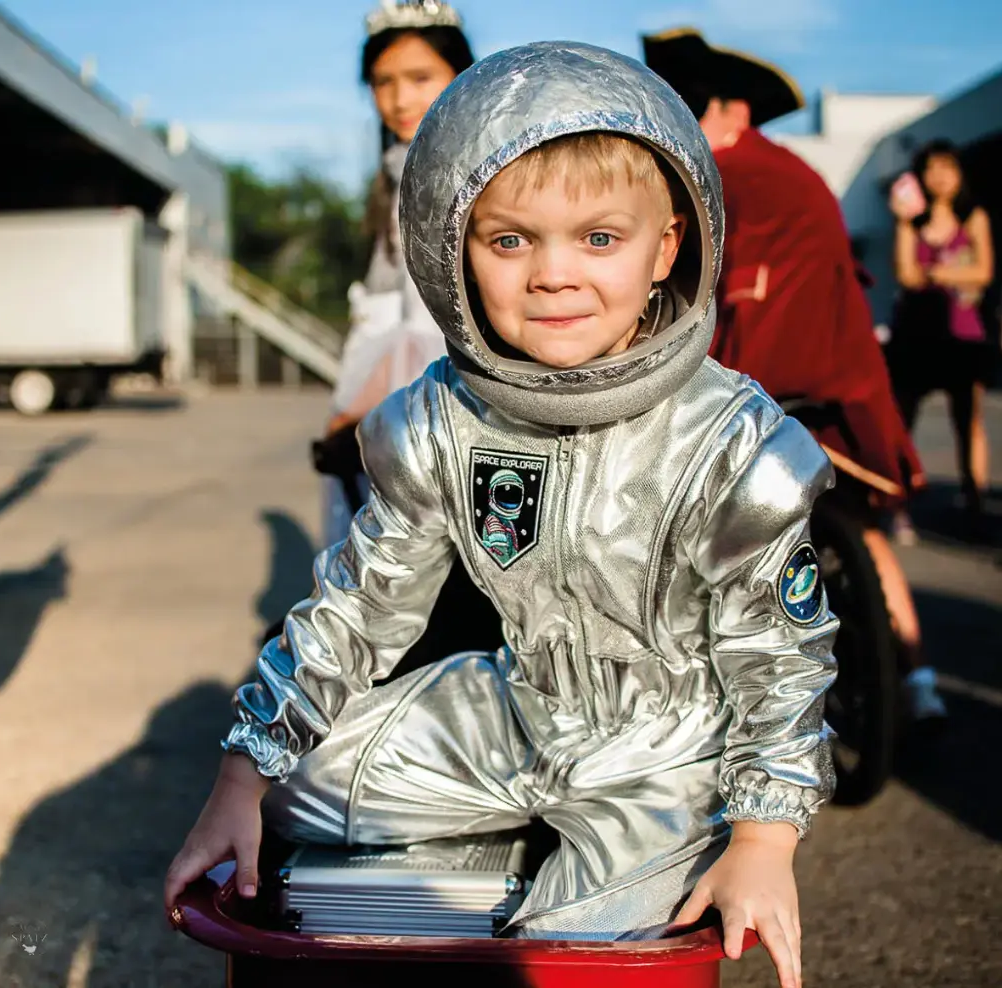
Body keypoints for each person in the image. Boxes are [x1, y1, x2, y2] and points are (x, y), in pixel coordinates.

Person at [167, 43, 838, 988]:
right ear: (452, 250)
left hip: (669, 753)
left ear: (667, 249)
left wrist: (765, 836)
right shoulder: (445, 417)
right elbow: (363, 603)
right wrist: (245, 771)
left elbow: (777, 652)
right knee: (287, 800)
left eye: (599, 238)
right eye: (511, 241)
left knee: (569, 952)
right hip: (518, 710)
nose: (554, 275)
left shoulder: (730, 442)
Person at [642, 27, 947, 723]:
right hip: (839, 370)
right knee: (862, 526)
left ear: (733, 110)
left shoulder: (719, 176)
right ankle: (921, 681)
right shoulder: (791, 170)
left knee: (700, 526)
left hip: (760, 368)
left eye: (693, 106)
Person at [323, 0, 476, 547]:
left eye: (420, 77)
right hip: (400, 382)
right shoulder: (399, 171)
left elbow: (423, 321)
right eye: (383, 82)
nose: (400, 98)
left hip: (442, 388)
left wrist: (359, 410)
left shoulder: (450, 169)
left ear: (461, 75)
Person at [887, 140, 995, 541]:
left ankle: (975, 501)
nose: (940, 176)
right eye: (932, 168)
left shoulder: (973, 217)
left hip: (963, 336)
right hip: (916, 336)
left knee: (968, 421)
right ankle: (898, 507)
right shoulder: (911, 221)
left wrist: (934, 274)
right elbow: (906, 275)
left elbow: (983, 271)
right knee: (903, 423)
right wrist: (903, 223)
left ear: (959, 173)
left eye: (947, 167)